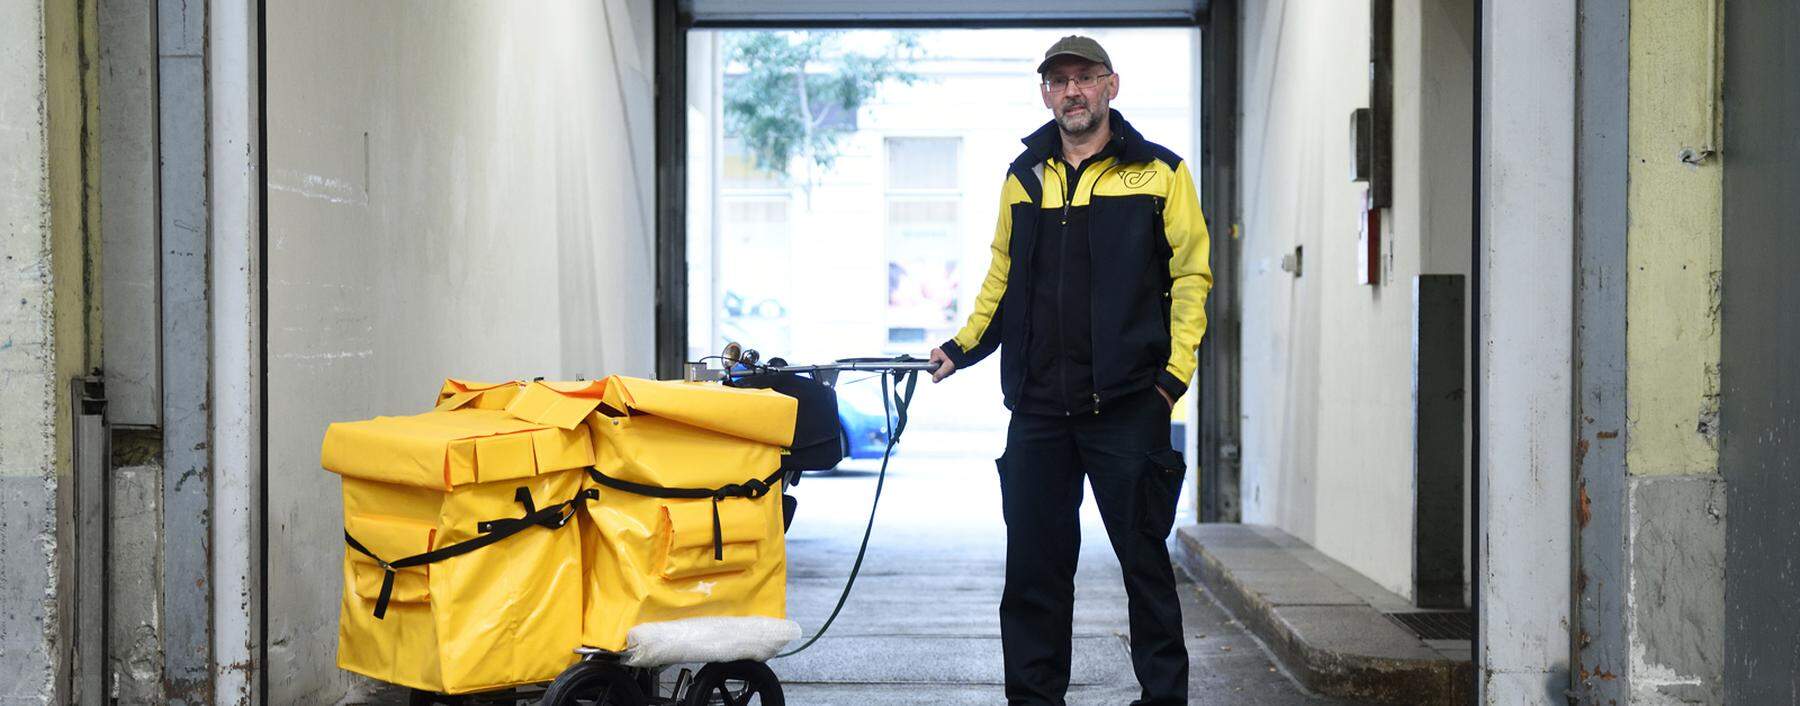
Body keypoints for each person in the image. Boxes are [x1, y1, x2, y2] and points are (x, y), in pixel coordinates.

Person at [927, 35, 1212, 706]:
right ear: (1045, 93)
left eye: (1084, 78)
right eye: (1059, 81)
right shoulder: (1023, 176)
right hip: (1037, 412)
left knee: (1144, 566)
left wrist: (1170, 381)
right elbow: (1001, 276)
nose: (1072, 91)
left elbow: (1192, 278)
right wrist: (962, 347)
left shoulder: (1160, 173)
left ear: (1112, 86)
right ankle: (1034, 699)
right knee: (1034, 574)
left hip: (1126, 407)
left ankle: (1164, 698)